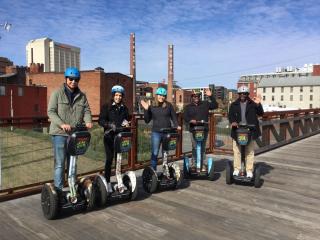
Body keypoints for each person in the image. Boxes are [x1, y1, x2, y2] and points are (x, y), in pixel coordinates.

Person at [48, 67, 93, 192]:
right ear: (66, 79)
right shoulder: (57, 93)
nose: (73, 81)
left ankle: (72, 188)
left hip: (75, 135)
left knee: (73, 163)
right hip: (60, 134)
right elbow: (51, 112)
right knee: (60, 164)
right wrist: (61, 124)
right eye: (71, 79)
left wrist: (88, 120)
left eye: (76, 79)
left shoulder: (82, 96)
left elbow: (86, 110)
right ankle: (58, 191)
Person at [98, 85, 129, 192]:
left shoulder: (124, 108)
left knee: (119, 160)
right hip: (109, 136)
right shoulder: (106, 106)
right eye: (116, 95)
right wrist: (109, 124)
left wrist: (126, 124)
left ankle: (119, 181)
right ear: (113, 95)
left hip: (120, 137)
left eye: (120, 95)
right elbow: (100, 120)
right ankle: (107, 181)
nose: (118, 97)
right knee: (109, 159)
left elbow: (126, 119)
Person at [228, 85, 264, 178]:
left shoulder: (253, 103)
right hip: (237, 131)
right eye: (241, 93)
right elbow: (230, 115)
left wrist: (258, 104)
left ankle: (249, 170)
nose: (243, 95)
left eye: (245, 93)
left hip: (250, 131)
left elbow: (261, 113)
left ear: (247, 94)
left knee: (249, 151)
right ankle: (237, 169)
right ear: (238, 94)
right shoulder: (234, 104)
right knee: (237, 151)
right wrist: (233, 122)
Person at [140, 87, 180, 170]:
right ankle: (153, 173)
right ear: (156, 95)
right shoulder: (152, 105)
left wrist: (177, 125)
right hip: (156, 133)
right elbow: (147, 120)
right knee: (155, 152)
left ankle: (165, 172)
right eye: (159, 95)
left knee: (165, 153)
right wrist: (146, 109)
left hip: (167, 132)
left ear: (165, 96)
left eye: (163, 95)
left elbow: (174, 117)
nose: (161, 97)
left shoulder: (168, 105)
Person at [184, 88, 218, 170]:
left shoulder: (205, 104)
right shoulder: (188, 107)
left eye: (198, 96)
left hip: (204, 129)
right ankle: (194, 164)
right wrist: (190, 120)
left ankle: (202, 164)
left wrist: (211, 96)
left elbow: (215, 105)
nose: (196, 97)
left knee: (202, 147)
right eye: (194, 96)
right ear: (192, 97)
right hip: (193, 129)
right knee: (195, 147)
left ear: (200, 96)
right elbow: (185, 117)